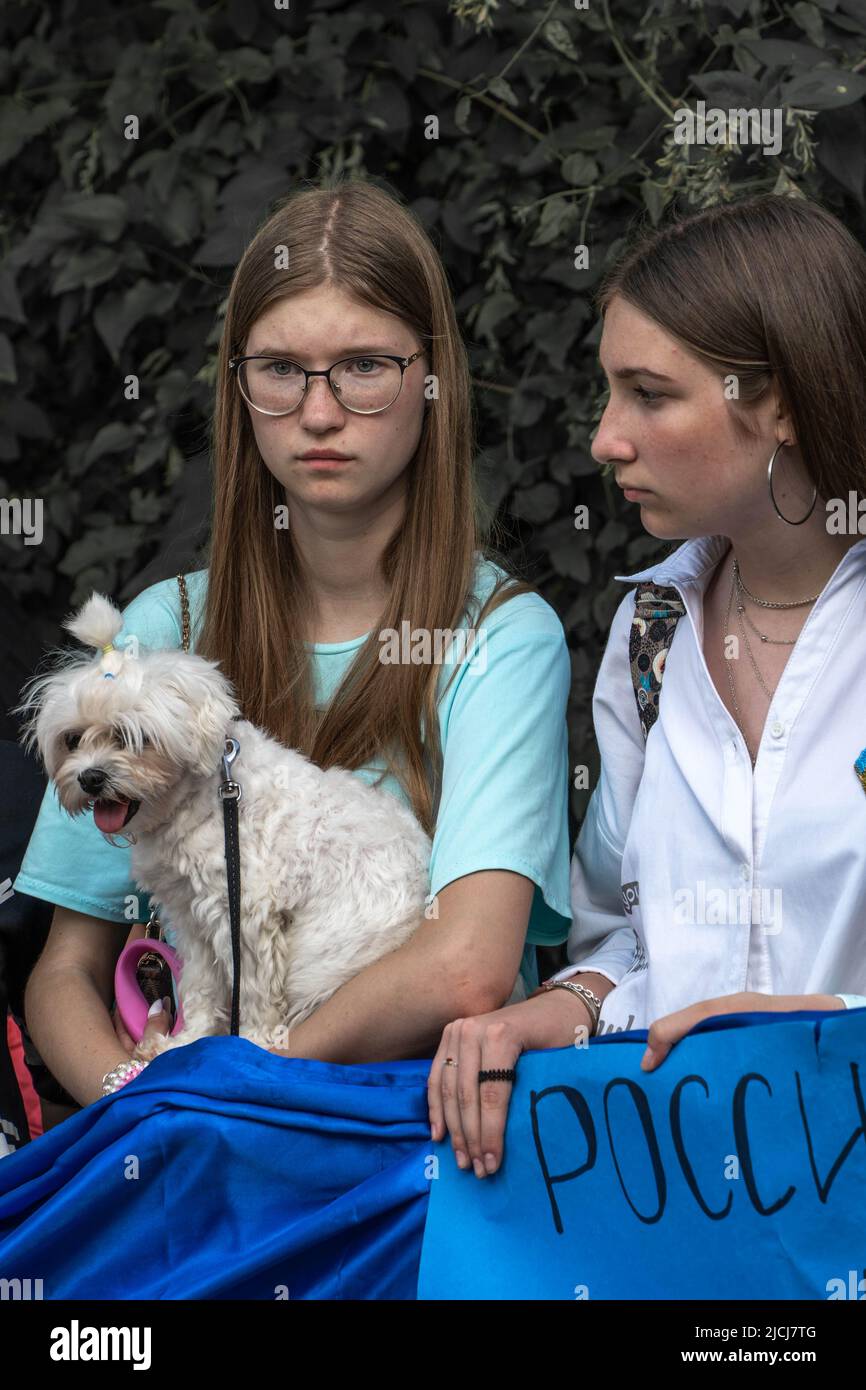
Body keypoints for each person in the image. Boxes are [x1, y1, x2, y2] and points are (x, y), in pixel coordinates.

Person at [15, 178, 573, 1109]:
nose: (318, 414)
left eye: (364, 366)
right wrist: (135, 1112)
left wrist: (237, 1092)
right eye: (279, 369)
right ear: (237, 389)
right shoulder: (163, 630)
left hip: (402, 1135)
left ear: (432, 381)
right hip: (176, 1145)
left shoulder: (496, 636)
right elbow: (65, 969)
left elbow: (467, 968)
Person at [427, 192, 866, 1179]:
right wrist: (547, 1013)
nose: (603, 438)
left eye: (648, 394)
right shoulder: (649, 632)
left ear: (782, 399)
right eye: (606, 391)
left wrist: (830, 1022)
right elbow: (628, 926)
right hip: (690, 1208)